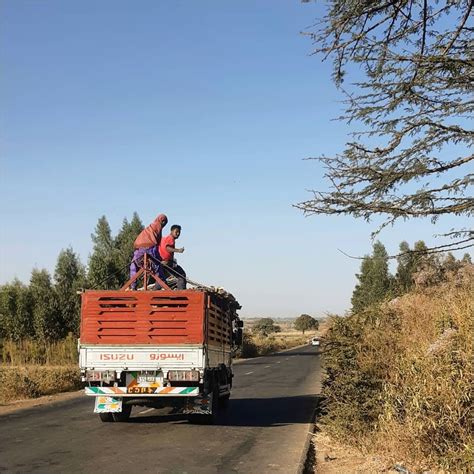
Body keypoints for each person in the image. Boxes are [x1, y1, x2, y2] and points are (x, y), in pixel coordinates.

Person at [129, 214, 168, 290]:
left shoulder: (149, 227)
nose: (163, 224)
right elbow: (157, 241)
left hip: (139, 249)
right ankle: (163, 282)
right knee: (157, 264)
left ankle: (133, 286)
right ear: (161, 220)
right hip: (150, 248)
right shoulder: (158, 226)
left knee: (133, 265)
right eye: (164, 222)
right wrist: (160, 258)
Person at [159, 224, 187, 290]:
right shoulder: (170, 238)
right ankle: (181, 294)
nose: (178, 234)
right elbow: (167, 248)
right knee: (181, 275)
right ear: (171, 231)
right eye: (176, 232)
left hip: (163, 262)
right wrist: (178, 250)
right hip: (167, 263)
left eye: (179, 232)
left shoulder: (165, 238)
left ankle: (154, 291)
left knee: (161, 279)